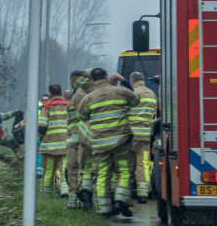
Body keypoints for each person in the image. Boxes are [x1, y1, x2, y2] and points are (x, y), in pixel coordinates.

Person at [77, 68, 140, 218]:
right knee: (124, 172)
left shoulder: (88, 98)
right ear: (106, 77)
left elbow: (81, 116)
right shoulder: (120, 91)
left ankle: (104, 210)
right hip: (122, 143)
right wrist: (124, 81)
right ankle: (119, 200)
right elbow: (136, 100)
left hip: (100, 146)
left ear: (92, 80)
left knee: (102, 176)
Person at [127, 72, 157, 203]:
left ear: (132, 80)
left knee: (127, 163)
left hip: (131, 135)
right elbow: (154, 114)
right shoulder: (152, 94)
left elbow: (125, 111)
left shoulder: (131, 92)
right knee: (143, 163)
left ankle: (124, 193)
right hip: (146, 135)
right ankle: (143, 194)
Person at [66, 70, 94, 209]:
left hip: (79, 138)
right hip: (78, 137)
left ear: (72, 80)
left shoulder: (79, 95)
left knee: (74, 168)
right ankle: (77, 201)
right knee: (78, 168)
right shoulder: (79, 93)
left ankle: (77, 201)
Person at [38, 85, 70, 197]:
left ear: (50, 95)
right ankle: (65, 191)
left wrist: (41, 139)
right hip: (66, 145)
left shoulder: (46, 107)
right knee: (64, 169)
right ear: (61, 94)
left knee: (49, 171)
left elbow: (42, 127)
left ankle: (46, 195)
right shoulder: (69, 106)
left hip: (50, 146)